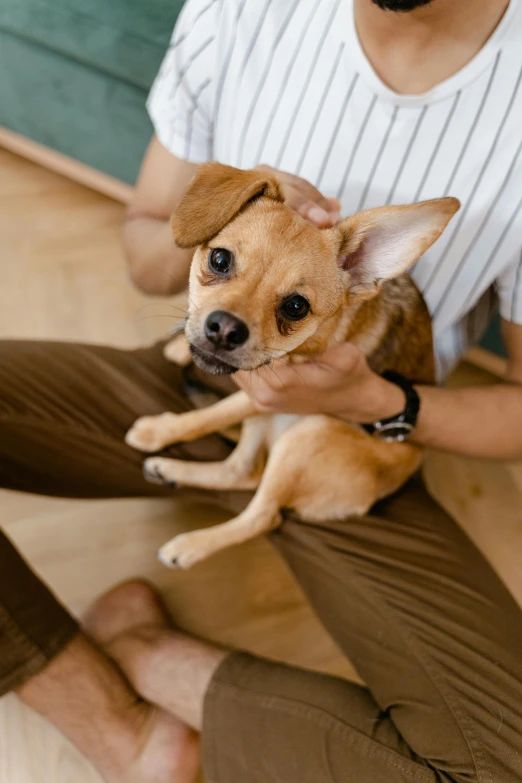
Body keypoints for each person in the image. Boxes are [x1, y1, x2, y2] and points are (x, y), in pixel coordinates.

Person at [2, 0, 522, 780]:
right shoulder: (238, 9)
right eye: (222, 265)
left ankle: (150, 650)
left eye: (288, 302)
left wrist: (380, 405)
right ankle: (121, 728)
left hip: (370, 434)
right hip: (188, 381)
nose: (233, 313)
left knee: (500, 764)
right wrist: (224, 204)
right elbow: (148, 244)